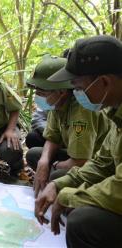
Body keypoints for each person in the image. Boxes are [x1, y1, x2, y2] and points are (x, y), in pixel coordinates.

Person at [35, 35, 122, 247]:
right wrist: (60, 183)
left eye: (79, 87)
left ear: (104, 82)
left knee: (83, 222)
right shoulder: (116, 113)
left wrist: (71, 196)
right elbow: (103, 164)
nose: (76, 93)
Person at [26, 55, 110, 197]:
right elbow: (52, 137)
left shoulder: (82, 110)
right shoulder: (57, 103)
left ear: (61, 91)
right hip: (75, 153)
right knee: (35, 155)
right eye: (36, 92)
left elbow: (81, 161)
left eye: (42, 93)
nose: (37, 97)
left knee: (57, 176)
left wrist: (53, 166)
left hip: (94, 163)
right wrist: (44, 161)